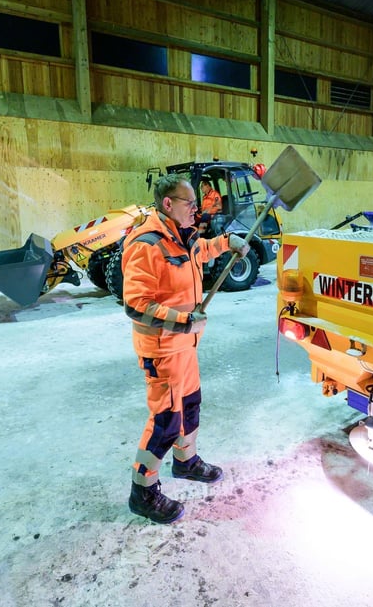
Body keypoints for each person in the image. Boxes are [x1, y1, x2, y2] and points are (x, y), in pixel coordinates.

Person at [122, 174, 250, 524]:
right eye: (189, 203)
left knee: (190, 405)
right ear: (168, 204)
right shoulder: (147, 244)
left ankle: (186, 462)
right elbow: (136, 304)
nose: (196, 209)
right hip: (161, 348)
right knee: (165, 420)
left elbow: (201, 251)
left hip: (185, 345)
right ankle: (142, 491)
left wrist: (226, 242)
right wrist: (181, 320)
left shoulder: (183, 236)